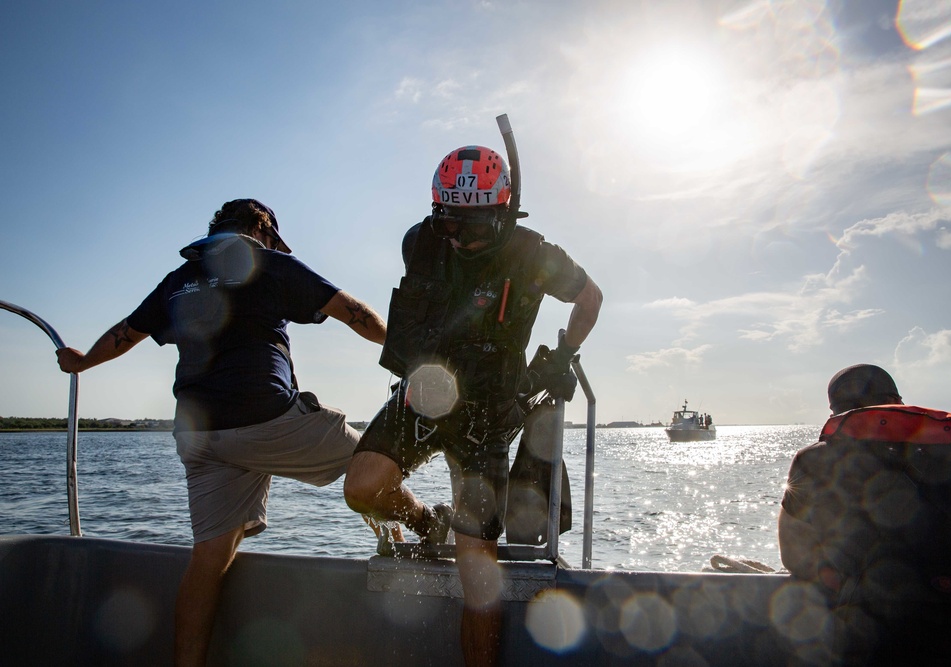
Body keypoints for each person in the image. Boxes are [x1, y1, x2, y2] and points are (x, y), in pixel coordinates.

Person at [56, 198, 389, 667]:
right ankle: (419, 523)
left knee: (208, 560)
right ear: (262, 228)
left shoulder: (178, 281)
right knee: (375, 458)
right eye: (272, 237)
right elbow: (351, 311)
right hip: (264, 419)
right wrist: (405, 348)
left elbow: (124, 333)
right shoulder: (270, 262)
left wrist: (81, 362)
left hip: (200, 436)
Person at [343, 145, 602, 666]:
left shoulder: (534, 254)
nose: (462, 239)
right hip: (425, 393)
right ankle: (425, 522)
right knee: (362, 486)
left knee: (477, 573)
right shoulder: (420, 242)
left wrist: (565, 355)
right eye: (451, 225)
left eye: (476, 227)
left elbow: (590, 296)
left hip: (489, 408)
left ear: (504, 211)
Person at [778, 364, 951, 665]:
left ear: (834, 414)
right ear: (899, 404)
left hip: (880, 635)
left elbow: (794, 555)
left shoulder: (814, 459)